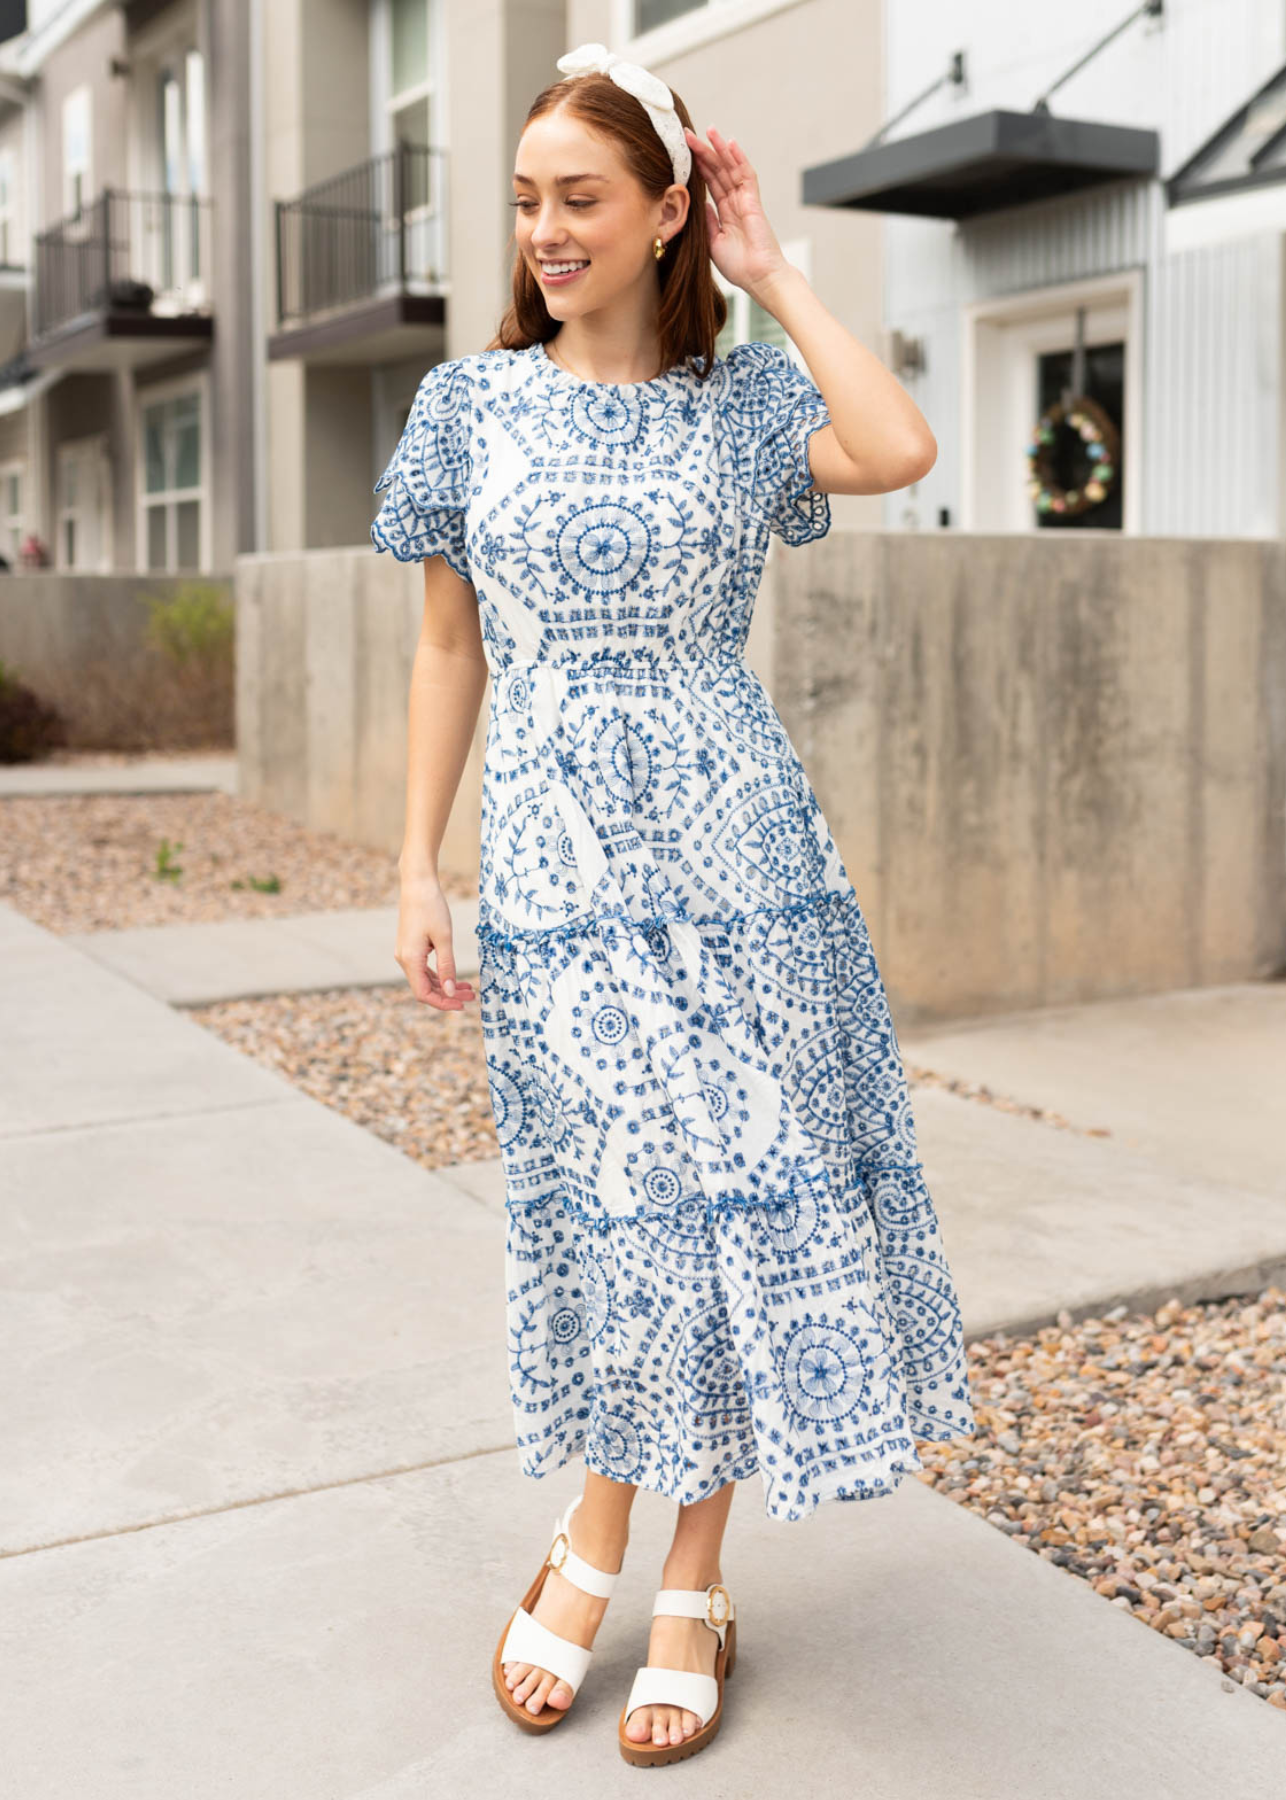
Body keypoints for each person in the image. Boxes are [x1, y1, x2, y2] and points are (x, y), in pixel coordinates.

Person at [371, 40, 976, 1767]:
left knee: (727, 1204)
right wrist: (421, 864)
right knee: (621, 1203)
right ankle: (604, 1521)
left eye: (581, 201)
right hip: (556, 866)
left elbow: (901, 440)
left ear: (658, 217)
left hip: (741, 865)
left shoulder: (745, 405)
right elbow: (444, 649)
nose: (546, 233)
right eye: (525, 204)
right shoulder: (467, 409)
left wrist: (773, 266)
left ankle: (677, 1568)